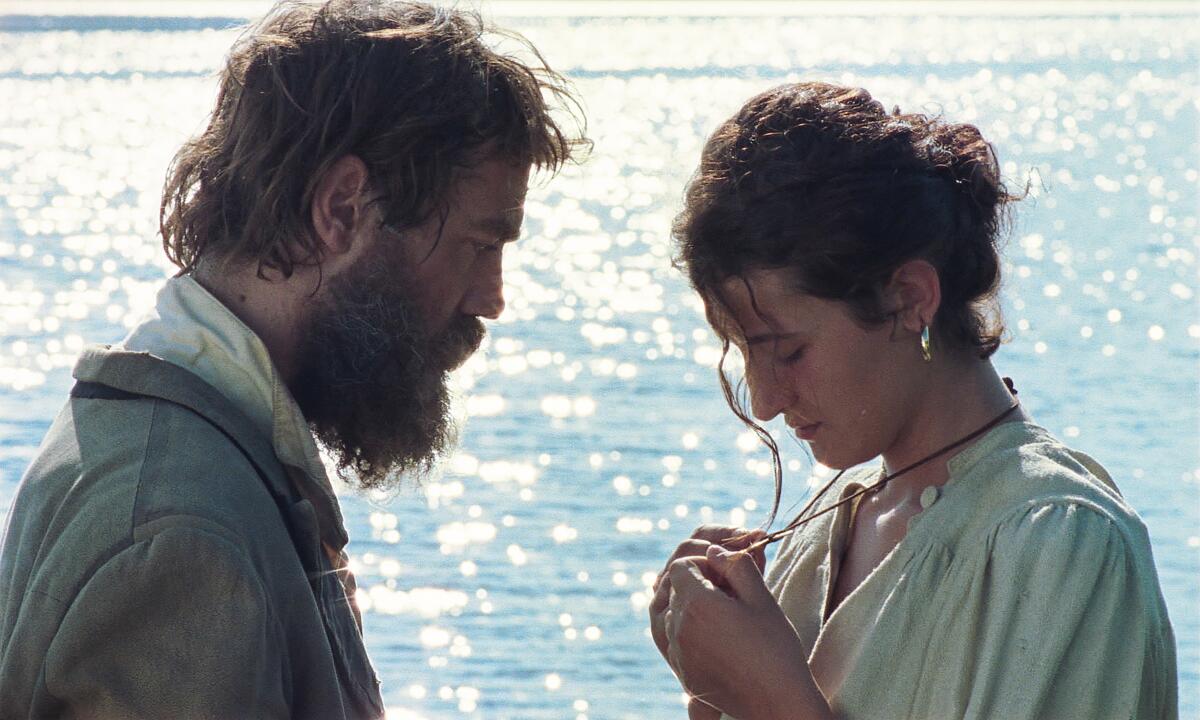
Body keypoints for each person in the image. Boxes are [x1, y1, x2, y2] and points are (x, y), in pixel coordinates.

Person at [0, 1, 582, 717]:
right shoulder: (185, 537)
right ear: (341, 209)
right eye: (481, 244)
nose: (491, 298)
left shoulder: (200, 449)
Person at [649, 82, 1177, 720]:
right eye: (744, 353)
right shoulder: (819, 539)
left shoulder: (1062, 542)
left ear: (908, 298)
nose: (763, 402)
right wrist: (710, 686)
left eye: (787, 352)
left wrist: (768, 701)